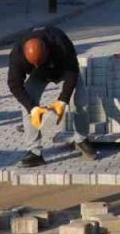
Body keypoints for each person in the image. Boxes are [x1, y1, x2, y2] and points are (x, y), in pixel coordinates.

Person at [8, 25, 97, 167]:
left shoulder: (61, 42)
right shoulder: (17, 55)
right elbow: (14, 85)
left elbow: (72, 73)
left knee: (80, 100)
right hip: (39, 74)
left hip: (63, 70)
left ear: (48, 50)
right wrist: (32, 108)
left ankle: (81, 139)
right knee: (26, 105)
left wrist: (63, 100)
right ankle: (34, 152)